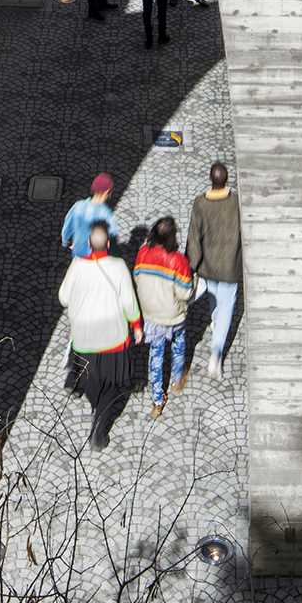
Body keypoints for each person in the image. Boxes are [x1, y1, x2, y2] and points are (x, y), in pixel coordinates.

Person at [58, 221, 142, 450]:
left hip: (85, 341)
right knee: (113, 386)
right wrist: (136, 325)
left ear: (88, 244)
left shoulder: (77, 265)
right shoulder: (119, 266)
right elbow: (129, 302)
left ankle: (95, 406)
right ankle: (100, 423)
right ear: (107, 243)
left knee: (92, 382)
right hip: (113, 342)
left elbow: (63, 297)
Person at [133, 216, 194, 417]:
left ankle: (157, 401)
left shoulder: (142, 253)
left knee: (156, 357)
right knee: (178, 343)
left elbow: (137, 277)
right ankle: (177, 379)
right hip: (174, 316)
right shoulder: (178, 260)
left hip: (151, 315)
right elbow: (185, 293)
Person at [185, 163, 241, 379]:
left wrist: (191, 266)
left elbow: (193, 238)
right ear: (226, 181)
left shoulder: (200, 203)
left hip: (208, 266)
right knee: (226, 309)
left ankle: (217, 328)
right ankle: (216, 355)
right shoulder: (236, 203)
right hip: (229, 266)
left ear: (211, 179)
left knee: (214, 302)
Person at [61, 173, 120, 258]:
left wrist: (65, 241)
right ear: (107, 191)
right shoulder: (106, 214)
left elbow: (67, 225)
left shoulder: (78, 205)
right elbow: (113, 236)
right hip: (95, 256)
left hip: (77, 252)